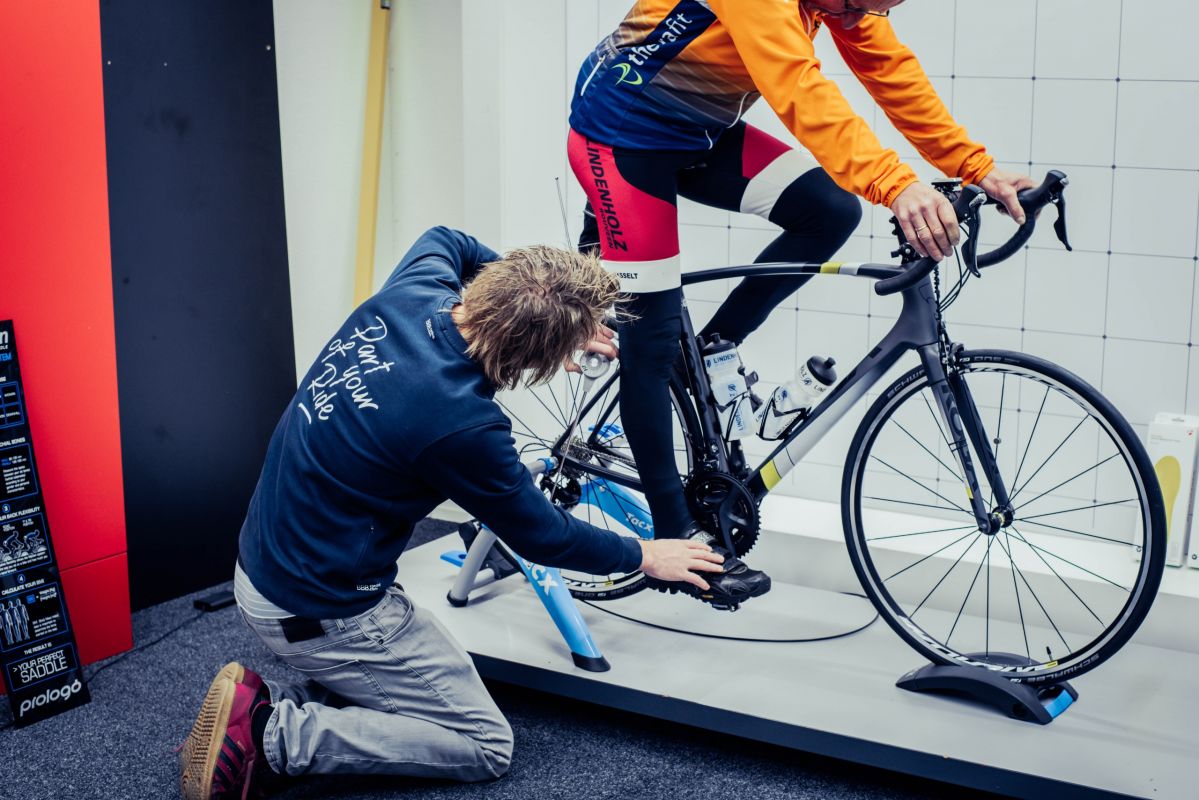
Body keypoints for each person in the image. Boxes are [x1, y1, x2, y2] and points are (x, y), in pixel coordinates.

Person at [178, 227, 734, 798]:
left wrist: (541, 307)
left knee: (404, 687)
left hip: (262, 562)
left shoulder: (412, 295)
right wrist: (646, 554)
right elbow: (542, 535)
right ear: (538, 358)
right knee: (483, 743)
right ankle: (274, 736)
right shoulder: (458, 422)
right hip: (320, 606)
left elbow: (448, 237)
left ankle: (296, 696)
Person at [567, 0, 1036, 606]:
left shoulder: (838, 1)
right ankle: (674, 537)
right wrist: (897, 185)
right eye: (865, 2)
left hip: (695, 131)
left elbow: (890, 69)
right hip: (620, 139)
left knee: (830, 210)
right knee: (650, 340)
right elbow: (800, 90)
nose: (870, 13)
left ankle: (709, 347)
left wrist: (976, 169)